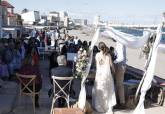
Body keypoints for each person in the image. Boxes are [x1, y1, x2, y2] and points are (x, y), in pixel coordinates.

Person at [92, 42, 116, 114]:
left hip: (99, 75)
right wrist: (114, 72)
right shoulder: (108, 55)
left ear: (99, 48)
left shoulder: (97, 55)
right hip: (107, 75)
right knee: (109, 91)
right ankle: (108, 107)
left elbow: (97, 65)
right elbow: (112, 65)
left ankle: (100, 107)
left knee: (100, 91)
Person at [114, 42, 127, 108]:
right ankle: (120, 102)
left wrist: (114, 62)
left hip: (120, 65)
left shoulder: (120, 44)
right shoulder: (121, 43)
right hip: (121, 65)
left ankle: (122, 103)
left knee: (119, 85)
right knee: (119, 85)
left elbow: (121, 57)